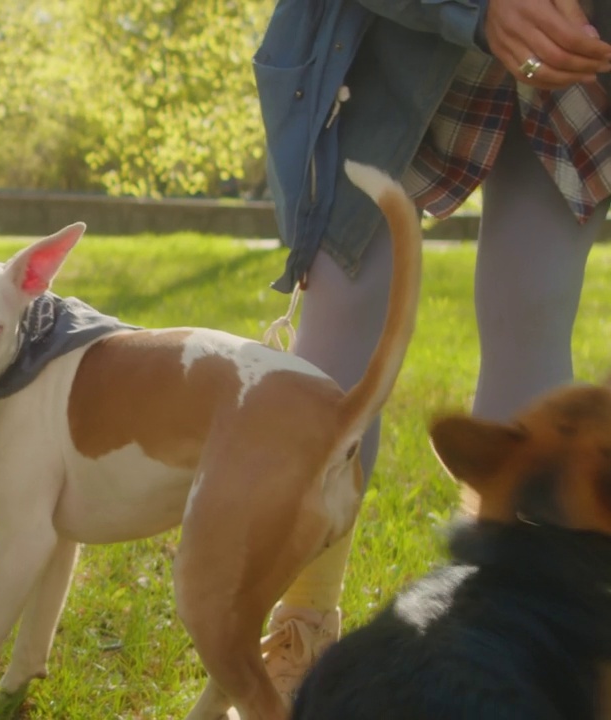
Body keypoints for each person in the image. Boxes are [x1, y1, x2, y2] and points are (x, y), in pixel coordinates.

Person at [252, 0, 611, 703]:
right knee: (339, 337)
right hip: (381, 49)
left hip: (575, 56)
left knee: (531, 322)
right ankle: (302, 622)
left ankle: (520, 634)